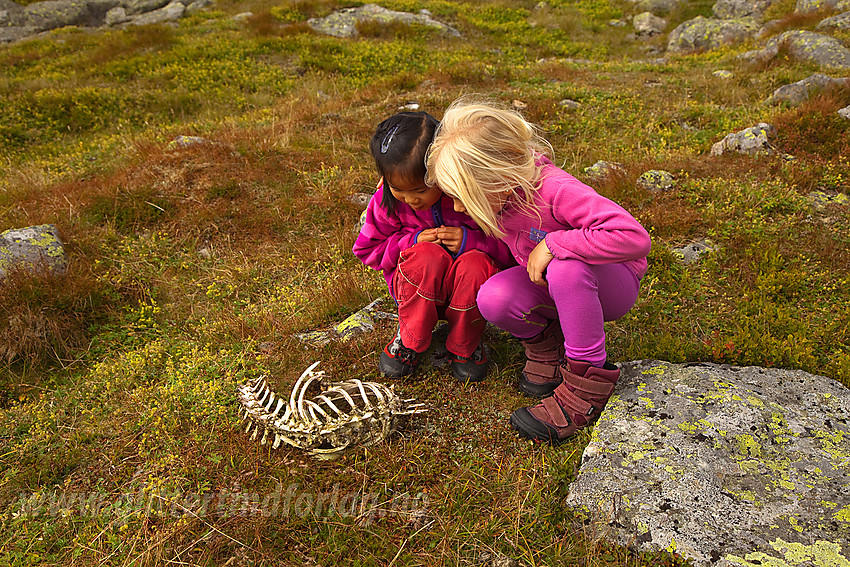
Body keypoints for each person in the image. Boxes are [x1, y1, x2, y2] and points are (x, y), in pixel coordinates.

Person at [425, 98, 651, 443]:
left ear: (495, 178)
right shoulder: (501, 201)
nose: (456, 207)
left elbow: (634, 238)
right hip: (558, 287)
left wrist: (555, 244)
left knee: (564, 268)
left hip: (611, 285)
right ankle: (548, 347)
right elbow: (513, 252)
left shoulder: (556, 190)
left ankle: (588, 385)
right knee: (494, 297)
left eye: (461, 196)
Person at [353, 111, 514, 383]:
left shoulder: (471, 195)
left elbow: (511, 249)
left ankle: (465, 344)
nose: (411, 200)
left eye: (420, 189)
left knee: (475, 264)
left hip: (470, 292)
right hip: (415, 290)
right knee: (426, 256)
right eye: (399, 189)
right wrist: (412, 241)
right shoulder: (386, 202)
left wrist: (470, 241)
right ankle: (411, 336)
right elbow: (368, 250)